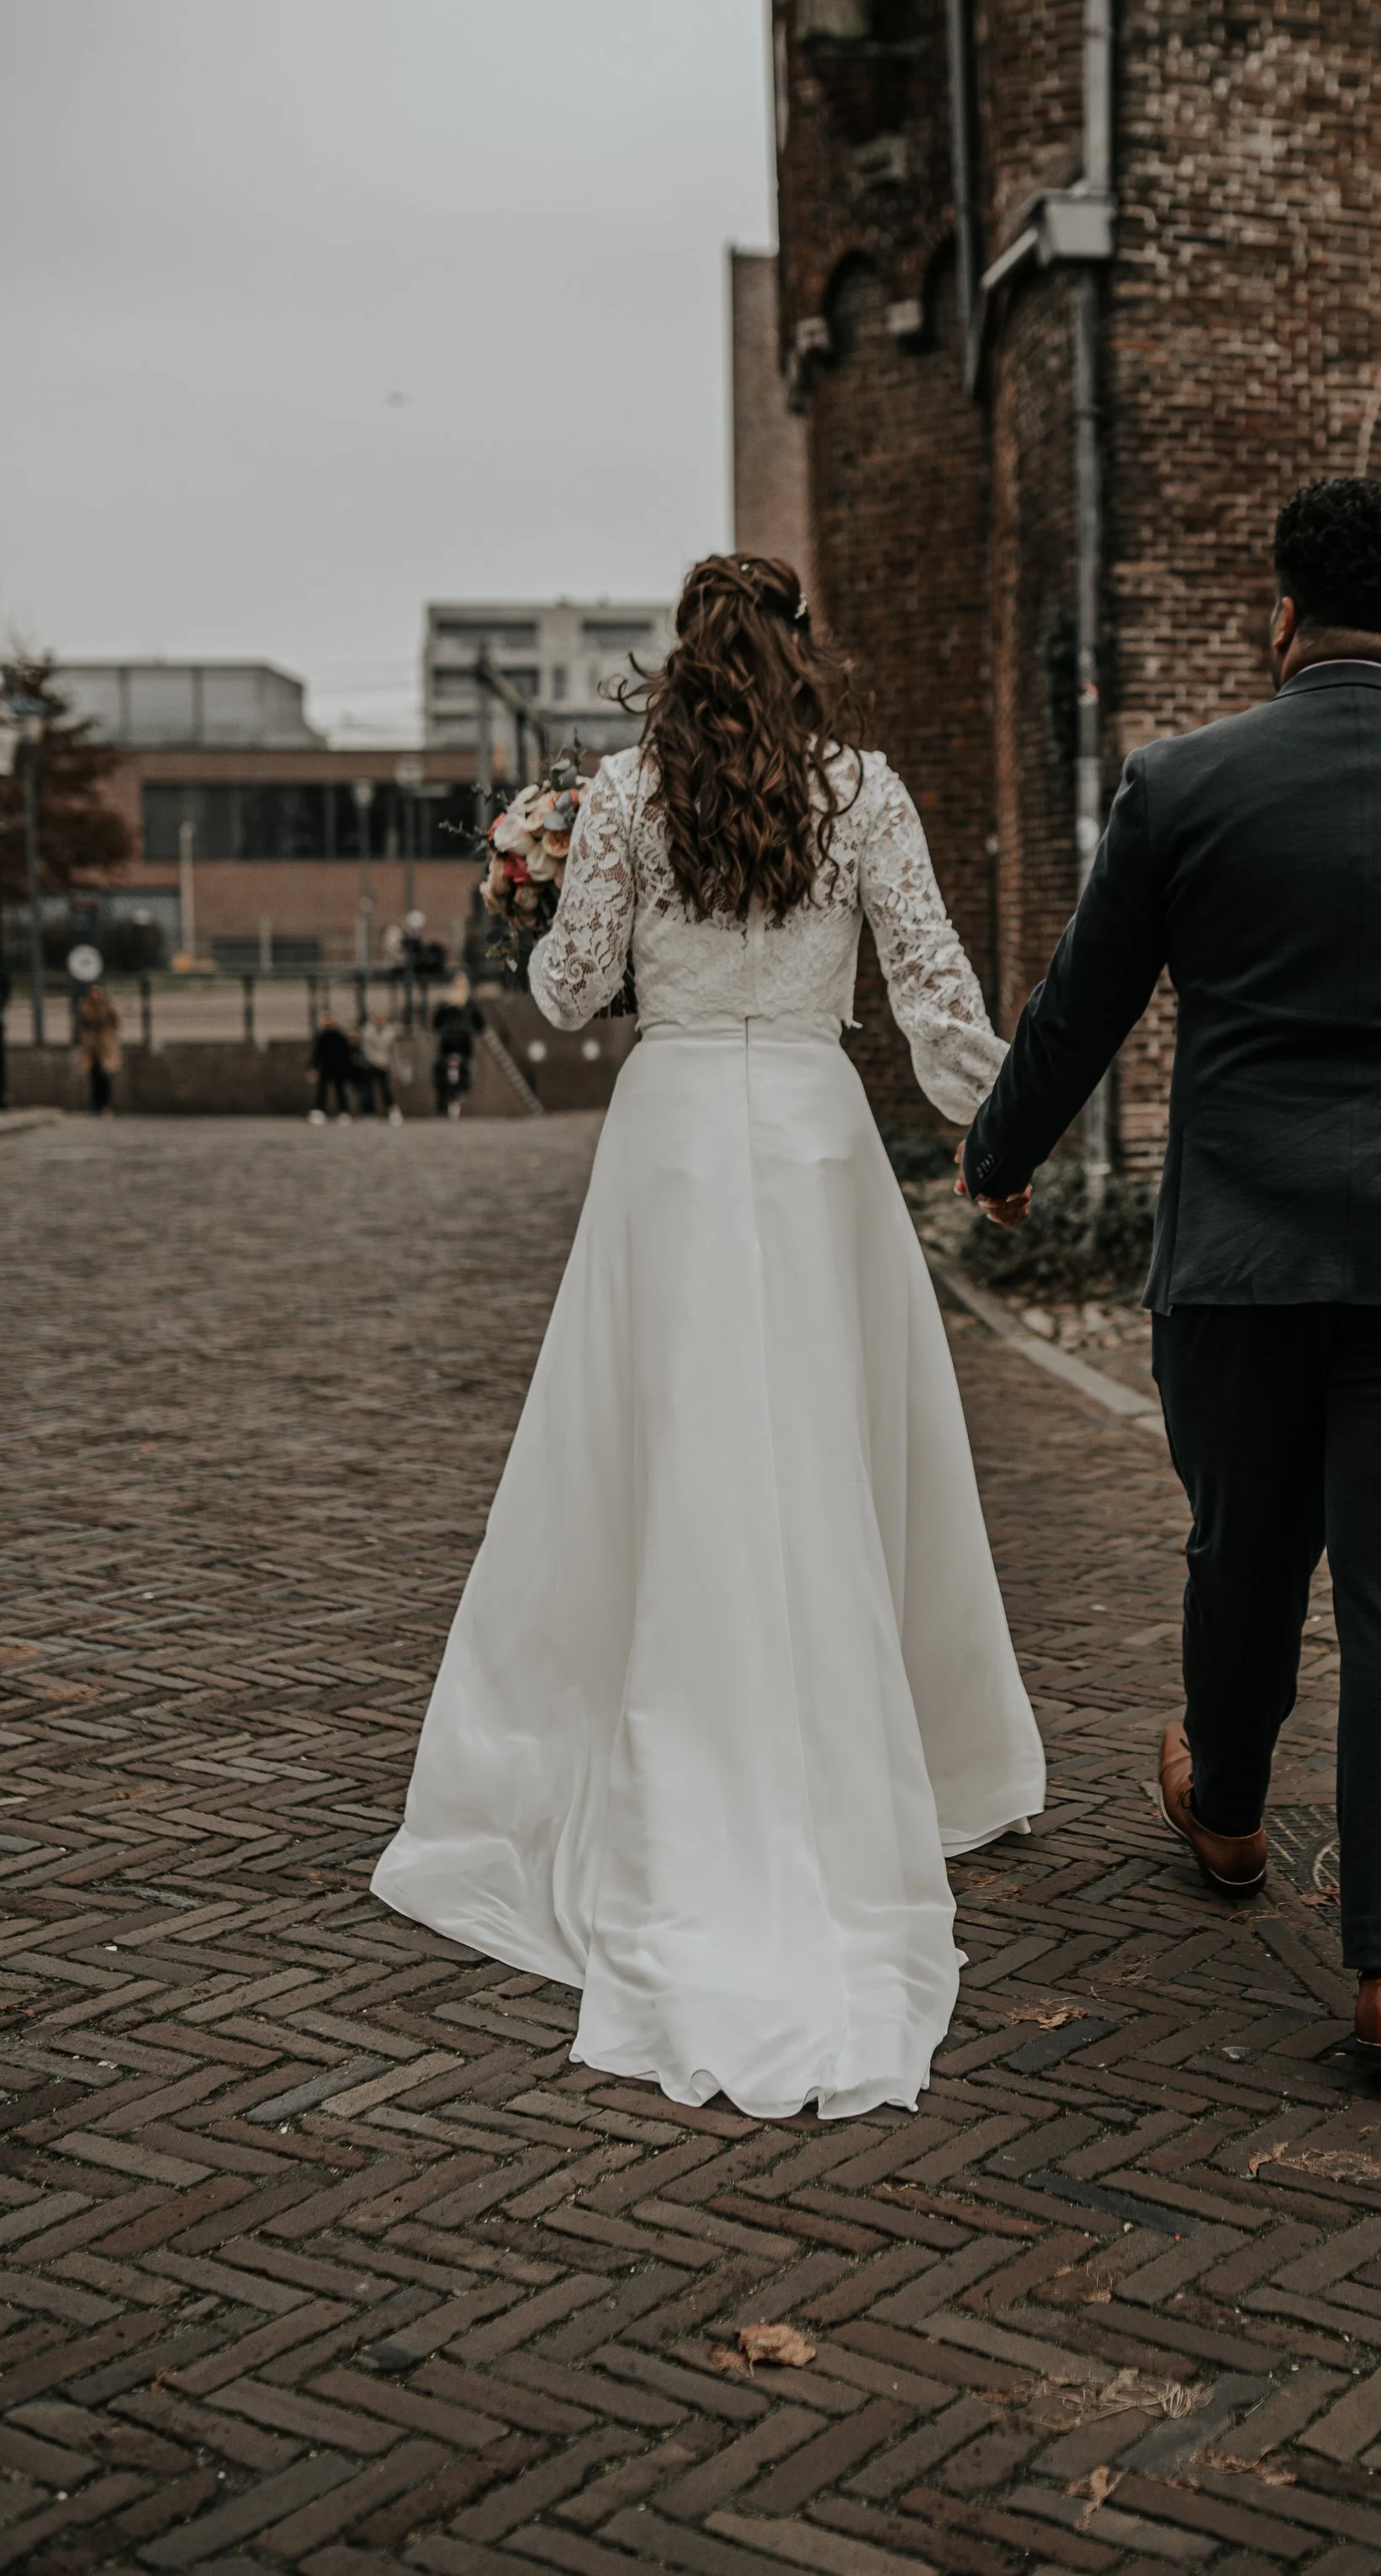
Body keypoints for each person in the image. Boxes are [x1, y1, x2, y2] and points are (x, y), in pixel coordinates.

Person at [960, 477, 1381, 2078]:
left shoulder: (1183, 782)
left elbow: (1080, 1000)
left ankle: (1233, 1811)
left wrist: (1000, 1149)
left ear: (1281, 611)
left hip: (1239, 1261)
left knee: (1244, 1548)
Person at [373, 554, 1045, 2118]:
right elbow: (935, 1001)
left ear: (679, 656)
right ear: (804, 650)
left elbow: (567, 993)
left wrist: (533, 889)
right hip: (812, 1140)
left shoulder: (621, 794)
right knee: (822, 1440)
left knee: (656, 1437)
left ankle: (640, 1742)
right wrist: (1005, 1132)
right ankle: (910, 1754)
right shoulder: (865, 789)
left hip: (671, 1141)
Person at [430, 978, 483, 1116]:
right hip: (464, 1045)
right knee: (470, 1068)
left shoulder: (445, 1004)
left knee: (438, 1067)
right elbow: (480, 1024)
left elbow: (436, 1023)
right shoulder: (470, 1005)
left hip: (447, 1043)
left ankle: (441, 1096)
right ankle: (461, 1092)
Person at [75, 979, 122, 1118]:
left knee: (106, 1075)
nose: (95, 995)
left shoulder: (108, 1006)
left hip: (105, 1045)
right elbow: (81, 1024)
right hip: (91, 1046)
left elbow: (115, 1023)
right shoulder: (85, 1007)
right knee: (94, 1075)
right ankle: (95, 1106)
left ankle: (107, 1106)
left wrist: (109, 1035)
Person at [308, 1012, 359, 1121]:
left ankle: (343, 1112)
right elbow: (317, 1053)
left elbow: (347, 1053)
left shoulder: (340, 1036)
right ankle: (320, 1111)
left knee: (340, 1091)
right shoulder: (322, 1036)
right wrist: (313, 1067)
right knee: (322, 1090)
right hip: (326, 1067)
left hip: (339, 1068)